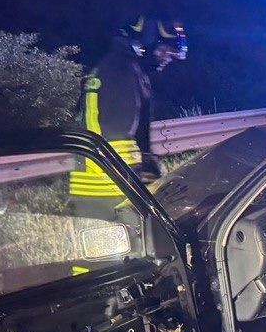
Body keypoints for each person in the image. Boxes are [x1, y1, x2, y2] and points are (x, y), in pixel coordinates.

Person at [69, 17, 187, 209]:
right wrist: (140, 172)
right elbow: (117, 135)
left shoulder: (117, 66)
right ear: (146, 43)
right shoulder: (122, 72)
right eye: (165, 50)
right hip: (109, 188)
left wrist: (147, 160)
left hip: (100, 186)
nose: (168, 57)